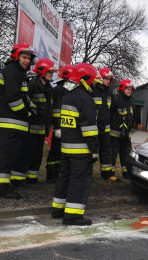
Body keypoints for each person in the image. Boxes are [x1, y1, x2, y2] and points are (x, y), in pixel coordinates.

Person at [51, 63, 99, 226]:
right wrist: (94, 150)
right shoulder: (85, 100)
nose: (93, 84)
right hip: (81, 150)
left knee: (64, 178)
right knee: (79, 181)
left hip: (66, 148)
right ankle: (72, 216)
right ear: (86, 80)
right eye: (92, 81)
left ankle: (58, 209)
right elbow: (90, 129)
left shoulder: (68, 97)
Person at [0, 43, 36, 199]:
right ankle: (1, 188)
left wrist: (29, 104)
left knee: (0, 154)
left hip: (8, 121)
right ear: (16, 56)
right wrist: (27, 113)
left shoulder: (16, 72)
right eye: (24, 57)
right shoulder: (13, 72)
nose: (26, 61)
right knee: (6, 156)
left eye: (29, 58)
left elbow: (20, 95)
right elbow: (14, 99)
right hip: (12, 121)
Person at [18, 58, 56, 183]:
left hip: (41, 128)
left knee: (37, 155)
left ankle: (32, 177)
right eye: (49, 72)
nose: (51, 74)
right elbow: (25, 101)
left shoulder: (49, 88)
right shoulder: (33, 84)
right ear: (42, 72)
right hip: (31, 127)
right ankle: (19, 178)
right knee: (26, 154)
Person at [45, 65, 73, 183]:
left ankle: (59, 173)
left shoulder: (69, 90)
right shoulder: (58, 90)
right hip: (60, 127)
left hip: (68, 126)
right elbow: (56, 111)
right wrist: (57, 127)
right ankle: (51, 175)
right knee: (55, 151)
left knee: (63, 152)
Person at [94, 68, 118, 181]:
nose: (108, 81)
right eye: (106, 78)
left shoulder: (109, 94)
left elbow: (111, 111)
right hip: (93, 128)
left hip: (105, 129)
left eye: (109, 79)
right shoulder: (92, 91)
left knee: (107, 151)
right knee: (91, 153)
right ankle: (87, 175)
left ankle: (106, 174)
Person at [110, 79, 134, 179]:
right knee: (113, 154)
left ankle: (125, 172)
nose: (129, 91)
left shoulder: (130, 101)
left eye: (131, 89)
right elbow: (110, 114)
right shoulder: (116, 99)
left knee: (126, 154)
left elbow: (131, 116)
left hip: (126, 134)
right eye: (127, 89)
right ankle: (110, 173)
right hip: (115, 133)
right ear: (122, 88)